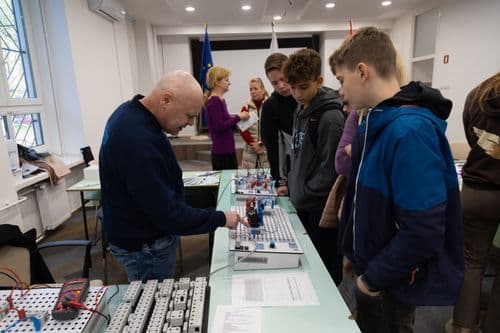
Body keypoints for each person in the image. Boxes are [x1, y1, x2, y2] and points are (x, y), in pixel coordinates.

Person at [330, 26, 464, 332]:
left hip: (390, 279)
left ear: (362, 71)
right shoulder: (373, 122)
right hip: (372, 270)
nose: (340, 91)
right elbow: (359, 196)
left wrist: (372, 279)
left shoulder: (409, 132)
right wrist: (351, 251)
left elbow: (424, 230)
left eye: (341, 80)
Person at [99, 70, 247, 282]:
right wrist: (221, 218)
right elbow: (169, 215)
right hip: (145, 247)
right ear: (166, 100)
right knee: (153, 306)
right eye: (189, 116)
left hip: (138, 236)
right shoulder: (138, 139)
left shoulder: (130, 113)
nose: (189, 123)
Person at [282, 48, 345, 284]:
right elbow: (299, 154)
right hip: (303, 202)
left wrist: (306, 189)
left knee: (325, 271)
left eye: (304, 87)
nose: (297, 93)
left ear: (319, 81)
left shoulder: (331, 118)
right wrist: (293, 184)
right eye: (293, 87)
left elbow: (331, 169)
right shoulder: (301, 108)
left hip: (320, 208)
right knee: (308, 267)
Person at [446, 72, 500, 333]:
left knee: (471, 262)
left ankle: (462, 327)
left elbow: (473, 140)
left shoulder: (478, 94)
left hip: (476, 188)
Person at [260, 53, 298, 195]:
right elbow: (272, 147)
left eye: (284, 79)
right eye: (275, 83)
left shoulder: (305, 98)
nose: (281, 86)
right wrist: (279, 180)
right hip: (288, 175)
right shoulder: (270, 105)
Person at [205, 66, 250, 170]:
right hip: (222, 152)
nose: (229, 83)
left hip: (227, 149)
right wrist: (238, 117)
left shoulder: (220, 100)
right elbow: (219, 127)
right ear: (217, 82)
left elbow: (225, 122)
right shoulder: (214, 101)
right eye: (226, 80)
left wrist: (237, 121)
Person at [239, 77, 270, 169]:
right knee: (249, 181)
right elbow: (243, 129)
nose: (252, 91)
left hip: (266, 150)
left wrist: (261, 144)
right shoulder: (246, 108)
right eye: (251, 89)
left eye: (255, 89)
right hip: (250, 152)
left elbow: (273, 129)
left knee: (267, 180)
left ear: (263, 90)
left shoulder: (270, 106)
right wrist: (253, 144)